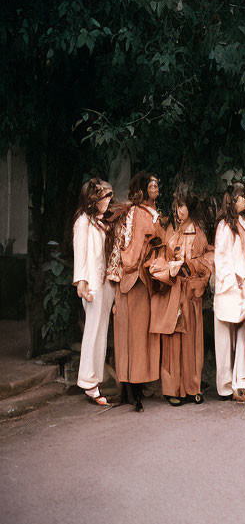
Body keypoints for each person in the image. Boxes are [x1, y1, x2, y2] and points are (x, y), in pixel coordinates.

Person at [146, 184, 213, 406]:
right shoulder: (169, 231)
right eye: (176, 206)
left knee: (192, 340)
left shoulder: (199, 232)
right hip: (173, 292)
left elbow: (207, 260)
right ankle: (172, 389)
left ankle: (193, 387)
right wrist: (169, 267)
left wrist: (188, 265)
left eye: (182, 206)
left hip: (190, 293)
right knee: (172, 341)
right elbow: (157, 258)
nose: (179, 211)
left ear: (190, 208)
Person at [107, 171, 161, 412]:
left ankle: (136, 388)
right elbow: (128, 247)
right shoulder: (135, 213)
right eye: (151, 185)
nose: (155, 188)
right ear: (141, 188)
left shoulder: (151, 213)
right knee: (130, 337)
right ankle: (131, 389)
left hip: (145, 281)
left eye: (157, 184)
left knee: (138, 337)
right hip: (133, 280)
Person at [213, 182, 245, 402]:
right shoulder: (224, 225)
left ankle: (241, 381)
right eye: (241, 197)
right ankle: (224, 385)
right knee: (223, 337)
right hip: (229, 287)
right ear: (233, 200)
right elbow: (220, 257)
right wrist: (234, 280)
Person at [72, 178, 115, 406]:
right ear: (94, 199)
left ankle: (94, 380)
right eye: (105, 196)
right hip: (92, 285)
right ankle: (88, 382)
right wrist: (82, 283)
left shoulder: (100, 223)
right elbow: (80, 255)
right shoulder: (83, 223)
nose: (109, 200)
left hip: (105, 283)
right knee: (92, 332)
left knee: (101, 332)